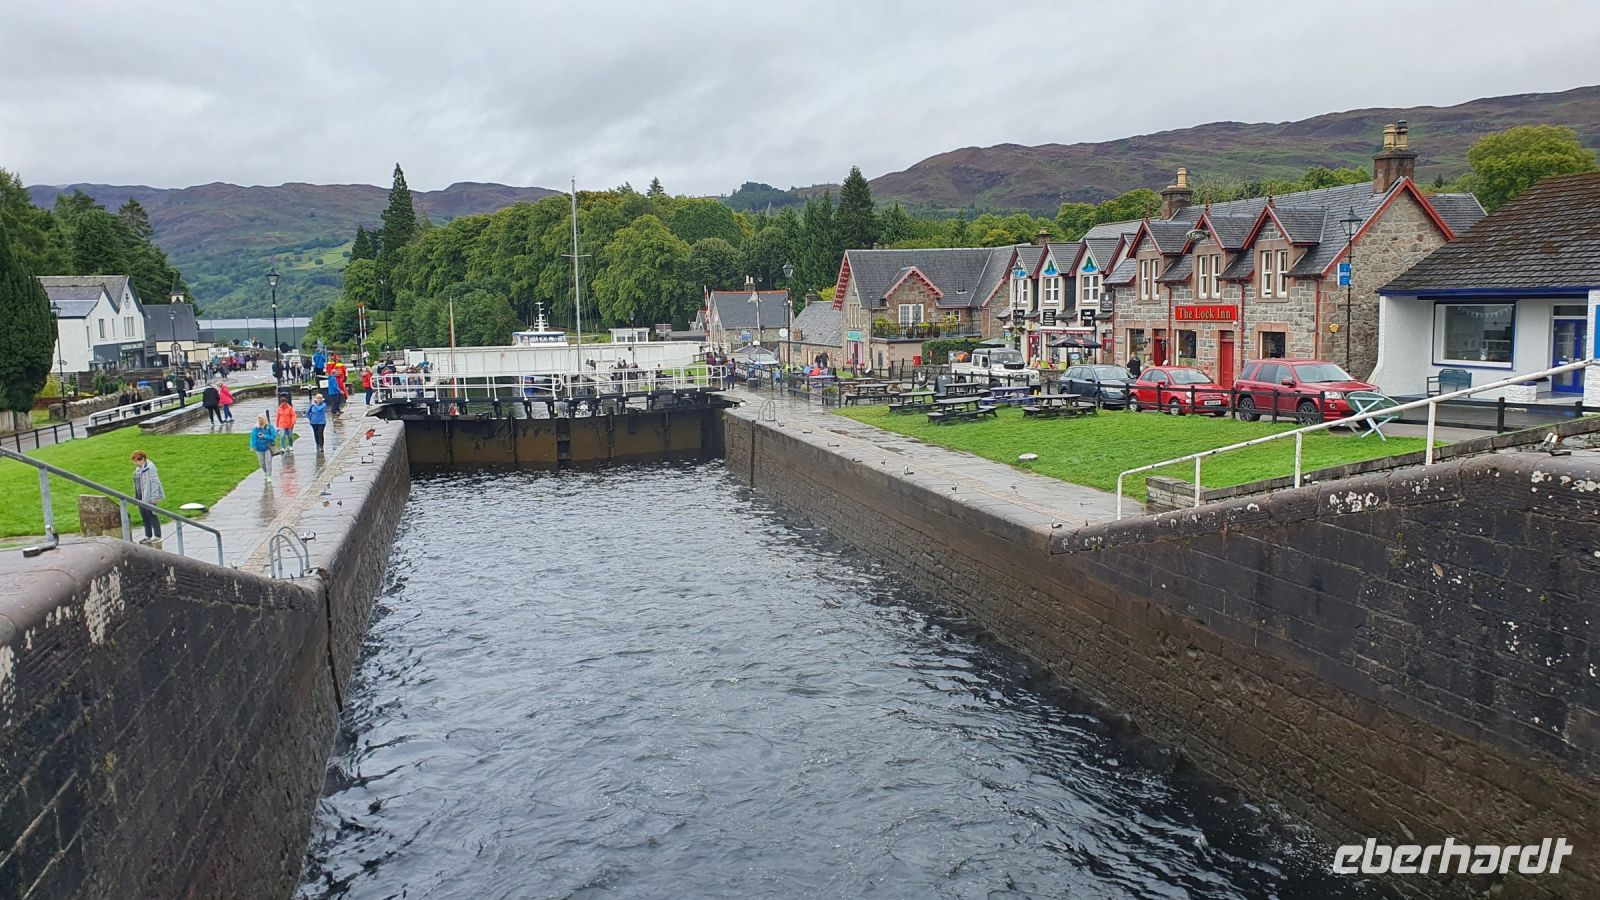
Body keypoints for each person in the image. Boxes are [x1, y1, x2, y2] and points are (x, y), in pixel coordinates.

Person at [130, 450, 164, 544]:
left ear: (144, 459)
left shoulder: (150, 468)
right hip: (140, 496)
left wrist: (154, 497)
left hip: (148, 495)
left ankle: (157, 535)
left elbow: (154, 483)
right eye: (135, 460)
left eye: (139, 460)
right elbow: (137, 484)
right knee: (144, 516)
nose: (137, 462)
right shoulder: (137, 470)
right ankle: (148, 535)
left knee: (152, 515)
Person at [250, 414, 278, 483]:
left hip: (268, 447)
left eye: (261, 420)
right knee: (262, 462)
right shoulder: (255, 428)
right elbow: (253, 438)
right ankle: (265, 472)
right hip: (259, 448)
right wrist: (252, 446)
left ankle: (269, 475)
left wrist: (265, 436)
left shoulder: (269, 427)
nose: (259, 421)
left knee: (268, 461)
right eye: (258, 420)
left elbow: (273, 436)